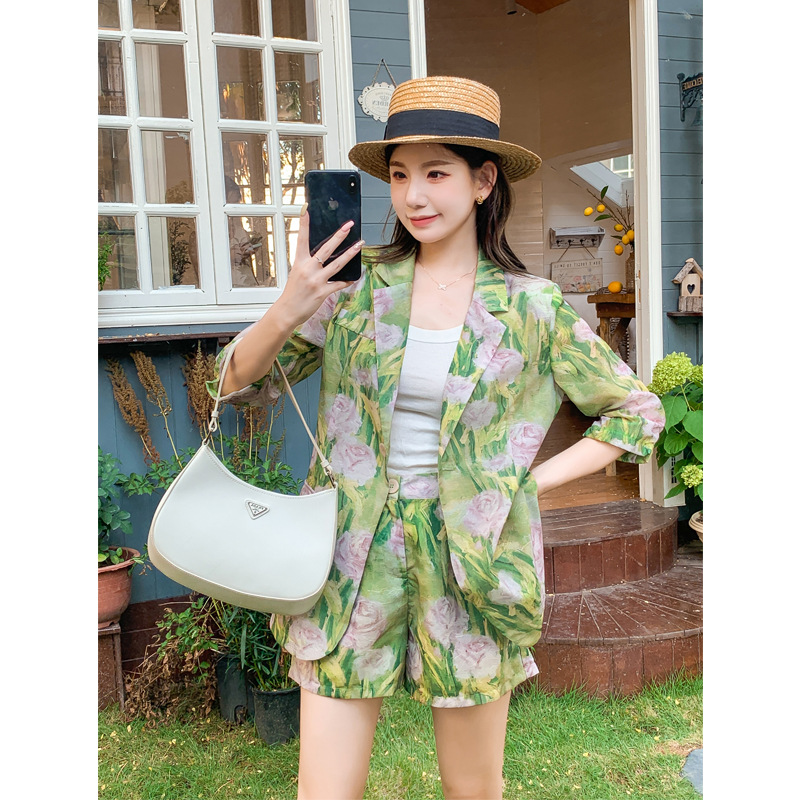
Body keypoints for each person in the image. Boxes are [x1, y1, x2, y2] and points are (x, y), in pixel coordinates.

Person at [209, 76, 665, 800]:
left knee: (471, 789)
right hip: (351, 553)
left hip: (472, 558)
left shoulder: (530, 308)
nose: (414, 195)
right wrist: (289, 305)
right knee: (324, 790)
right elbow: (234, 385)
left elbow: (636, 412)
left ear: (484, 182)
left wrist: (525, 482)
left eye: (436, 173)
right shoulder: (355, 289)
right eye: (398, 175)